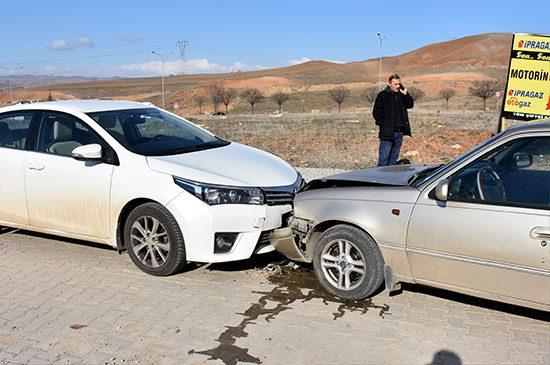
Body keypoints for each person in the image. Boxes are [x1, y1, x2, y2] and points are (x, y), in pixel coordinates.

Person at [372, 73, 414, 166]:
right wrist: (384, 125)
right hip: (387, 132)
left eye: (399, 84)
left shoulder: (401, 95)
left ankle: (389, 179)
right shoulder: (382, 95)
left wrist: (406, 95)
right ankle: (380, 178)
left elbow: (410, 105)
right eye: (395, 84)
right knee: (384, 158)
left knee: (393, 158)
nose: (398, 86)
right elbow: (376, 112)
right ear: (389, 84)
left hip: (399, 133)